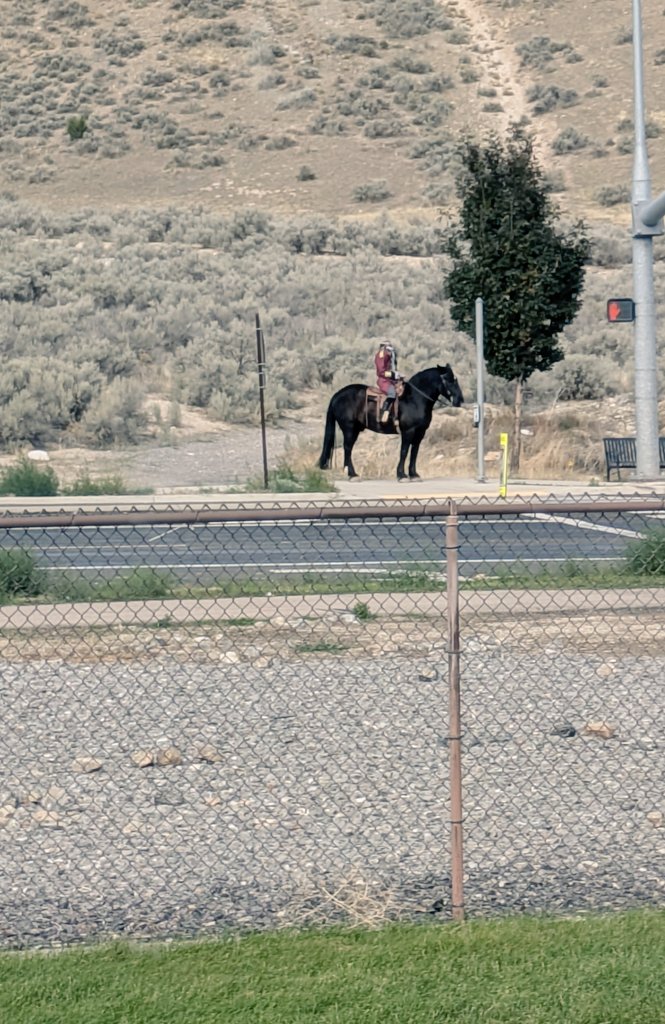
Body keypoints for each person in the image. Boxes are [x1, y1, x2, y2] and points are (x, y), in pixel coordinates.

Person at [374, 342, 401, 423]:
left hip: (392, 380)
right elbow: (381, 372)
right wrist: (393, 374)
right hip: (384, 380)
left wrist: (398, 375)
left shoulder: (390, 355)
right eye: (388, 347)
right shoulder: (381, 355)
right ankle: (384, 412)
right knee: (392, 392)